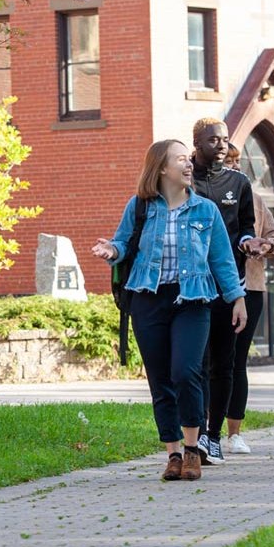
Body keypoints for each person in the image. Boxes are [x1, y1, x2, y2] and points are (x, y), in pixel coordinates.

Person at [92, 140, 248, 482]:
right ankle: (173, 453)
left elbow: (222, 259)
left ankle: (194, 449)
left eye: (188, 159)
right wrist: (111, 250)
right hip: (148, 300)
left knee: (186, 372)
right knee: (160, 379)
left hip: (192, 301)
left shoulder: (206, 210)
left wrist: (237, 298)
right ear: (162, 168)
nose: (188, 164)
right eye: (181, 159)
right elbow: (123, 242)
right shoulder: (140, 207)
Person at [189, 117, 269, 466]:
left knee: (224, 363)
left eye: (224, 139)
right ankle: (192, 431)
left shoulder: (239, 182)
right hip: (190, 286)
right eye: (212, 140)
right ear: (197, 144)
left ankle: (213, 436)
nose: (220, 145)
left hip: (228, 285)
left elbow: (245, 226)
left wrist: (249, 242)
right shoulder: (183, 178)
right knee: (195, 364)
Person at [217, 143, 274, 454]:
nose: (233, 168)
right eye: (227, 163)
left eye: (236, 162)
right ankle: (206, 431)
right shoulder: (201, 196)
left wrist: (264, 247)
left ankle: (235, 432)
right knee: (209, 361)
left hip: (250, 287)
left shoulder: (253, 199)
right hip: (212, 287)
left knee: (236, 360)